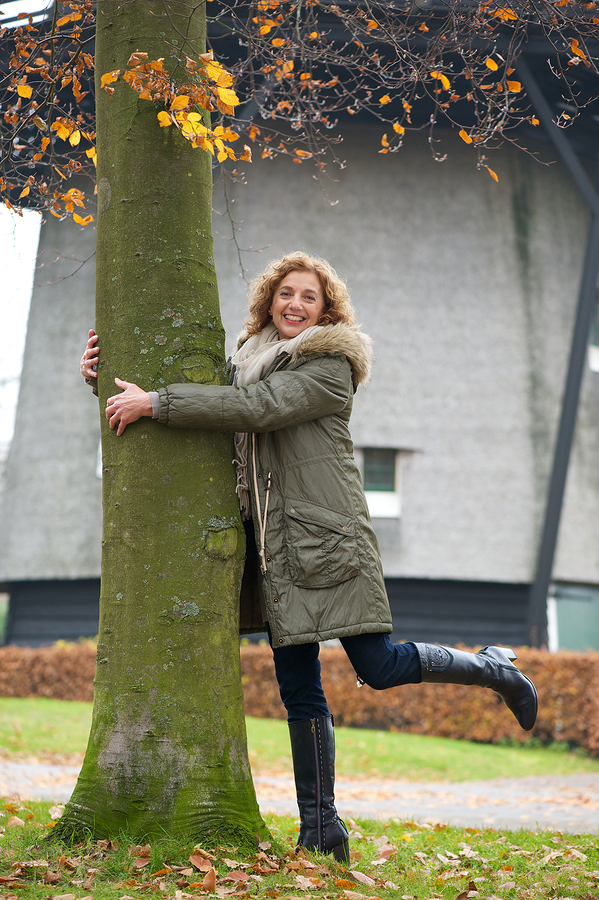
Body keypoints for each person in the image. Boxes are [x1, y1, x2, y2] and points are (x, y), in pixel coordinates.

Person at [81, 251, 538, 863]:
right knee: (298, 688)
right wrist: (104, 372)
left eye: (309, 297)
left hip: (326, 538)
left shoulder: (329, 367)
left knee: (375, 665)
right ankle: (321, 829)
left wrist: (158, 403)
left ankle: (492, 669)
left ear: (327, 310)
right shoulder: (246, 360)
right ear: (270, 300)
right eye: (286, 294)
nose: (295, 305)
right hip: (274, 548)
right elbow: (219, 398)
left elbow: (258, 409)